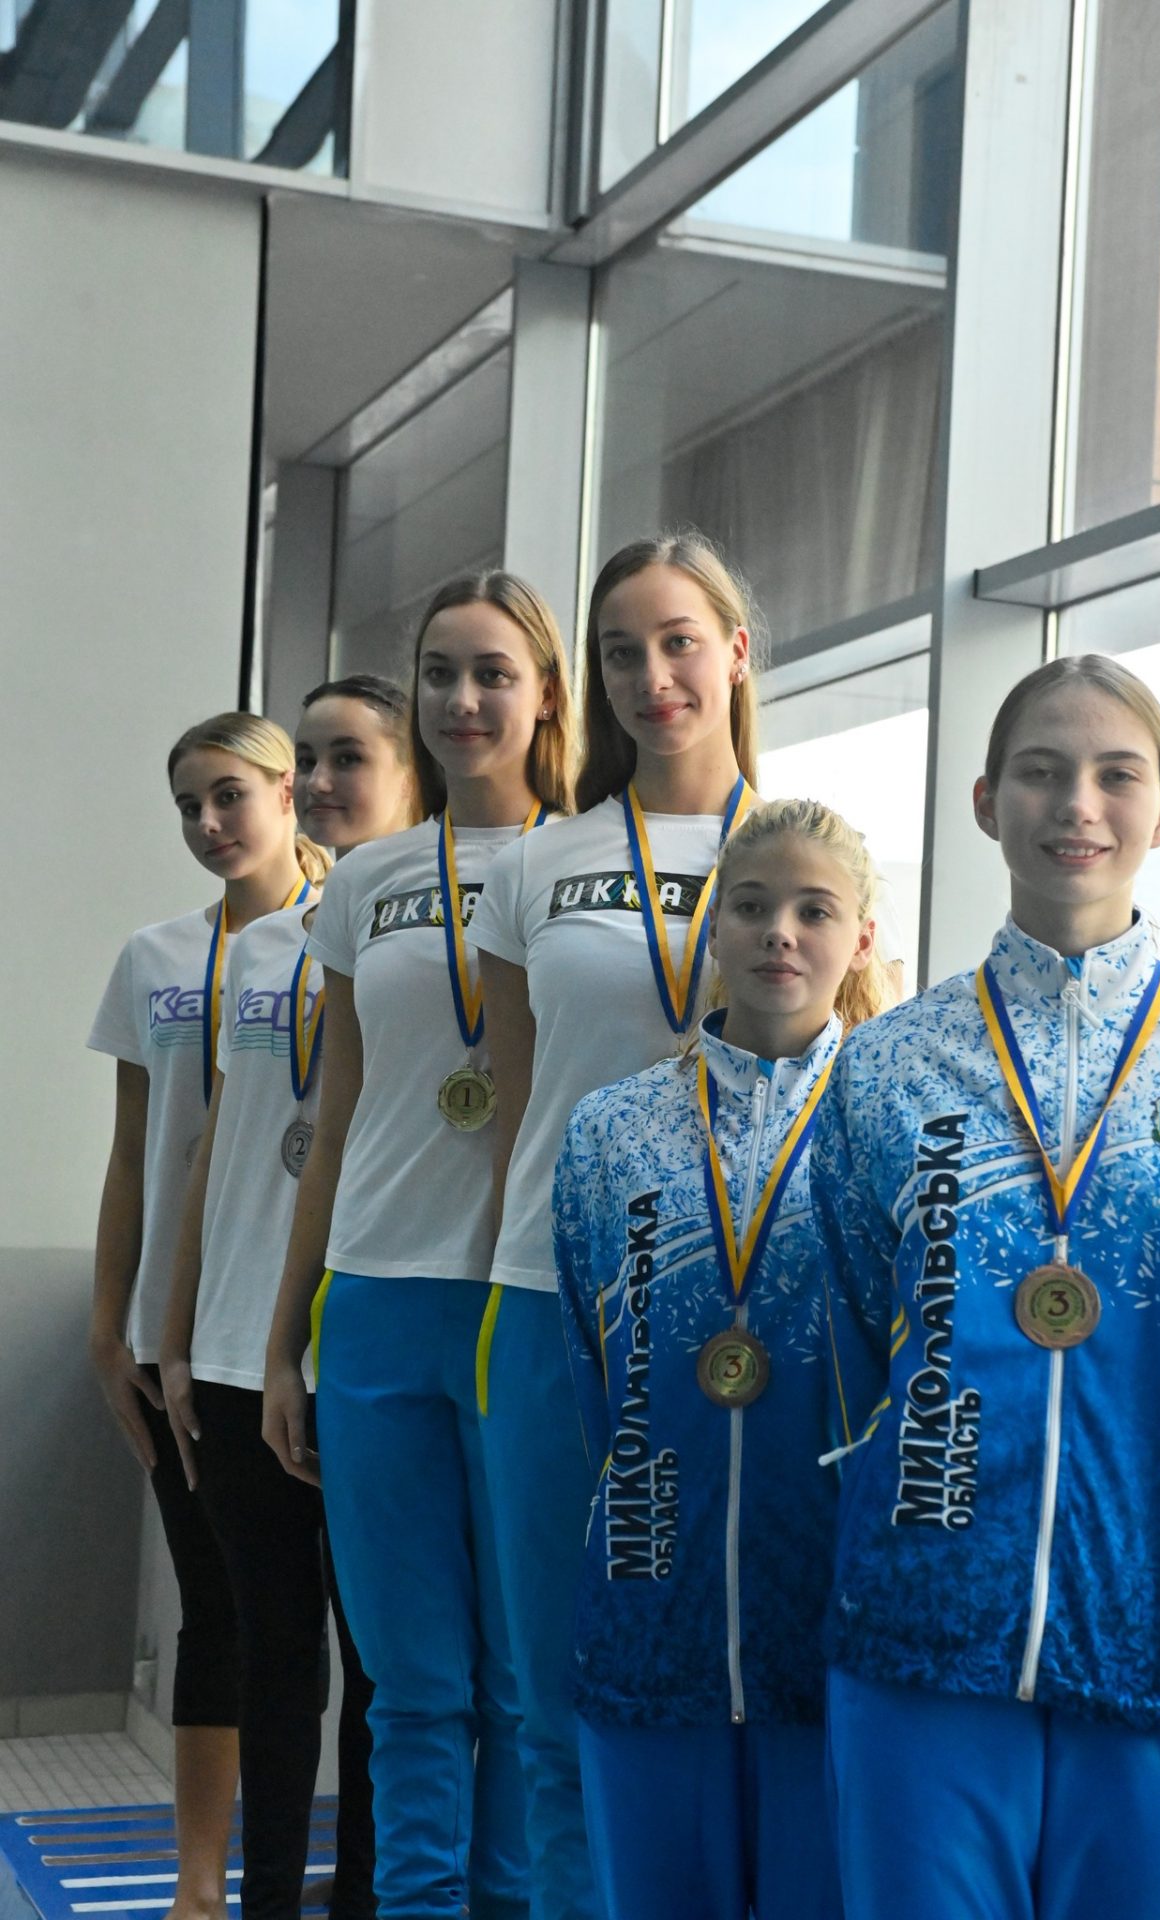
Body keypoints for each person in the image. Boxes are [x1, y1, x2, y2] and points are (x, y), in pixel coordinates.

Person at [468, 532, 905, 1920]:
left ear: (737, 654)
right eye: (619, 652)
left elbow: (873, 1077)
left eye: (678, 643)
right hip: (560, 1298)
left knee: (786, 1696)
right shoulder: (539, 861)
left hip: (780, 1325)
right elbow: (519, 1101)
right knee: (564, 1695)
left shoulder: (807, 846)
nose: (651, 676)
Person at [810, 653, 1160, 1920]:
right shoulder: (885, 1066)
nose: (1076, 803)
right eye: (1039, 771)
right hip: (921, 1622)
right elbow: (849, 1344)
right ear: (984, 802)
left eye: (1114, 775)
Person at [261, 573, 575, 1920]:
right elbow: (334, 1118)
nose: (463, 699)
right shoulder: (368, 881)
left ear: (546, 691)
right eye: (440, 673)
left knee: (520, 1681)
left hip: (523, 1304)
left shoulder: (586, 867)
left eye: (493, 672)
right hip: (377, 1305)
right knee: (409, 1687)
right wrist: (287, 1337)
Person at [552, 798, 892, 1920]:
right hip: (654, 1598)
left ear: (860, 939)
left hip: (834, 1611)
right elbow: (593, 1365)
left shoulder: (895, 1127)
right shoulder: (611, 1131)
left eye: (813, 911)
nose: (778, 932)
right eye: (749, 906)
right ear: (711, 928)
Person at [158, 677, 418, 1920]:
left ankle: (361, 1895)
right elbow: (216, 1148)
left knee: (379, 1665)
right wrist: (170, 1335)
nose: (320, 783)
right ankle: (264, 1898)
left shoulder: (434, 944)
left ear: (408, 772)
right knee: (269, 1653)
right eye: (306, 760)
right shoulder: (262, 944)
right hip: (227, 1350)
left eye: (347, 758)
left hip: (361, 1340)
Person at [88, 713, 329, 1920]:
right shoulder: (156, 957)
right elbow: (137, 1155)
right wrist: (112, 1327)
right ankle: (196, 1887)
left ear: (288, 791)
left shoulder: (345, 942)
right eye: (188, 805)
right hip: (176, 1331)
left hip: (308, 1322)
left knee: (326, 1632)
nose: (208, 822)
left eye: (229, 794)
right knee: (215, 1611)